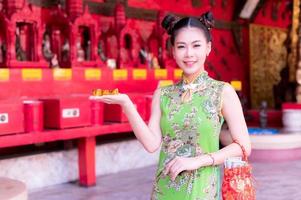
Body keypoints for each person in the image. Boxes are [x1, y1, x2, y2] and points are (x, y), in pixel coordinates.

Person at [95, 11, 251, 200]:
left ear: (208, 48)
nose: (189, 54)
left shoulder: (222, 92)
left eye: (196, 45)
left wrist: (197, 161)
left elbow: (243, 146)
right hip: (165, 190)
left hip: (202, 191)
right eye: (181, 46)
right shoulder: (163, 94)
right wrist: (127, 105)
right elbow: (152, 144)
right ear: (173, 51)